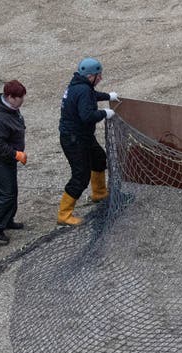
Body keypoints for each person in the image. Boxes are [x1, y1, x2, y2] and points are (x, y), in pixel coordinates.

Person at [57, 57, 119, 226]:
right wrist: (104, 113)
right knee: (80, 175)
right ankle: (64, 214)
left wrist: (108, 96)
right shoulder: (83, 90)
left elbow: (92, 95)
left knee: (99, 159)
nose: (101, 78)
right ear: (91, 76)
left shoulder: (79, 85)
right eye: (99, 76)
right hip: (74, 139)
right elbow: (87, 116)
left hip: (82, 136)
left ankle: (99, 193)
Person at [0, 80, 28, 245]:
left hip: (6, 159)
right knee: (5, 194)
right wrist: (16, 154)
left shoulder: (11, 108)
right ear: (10, 97)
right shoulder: (0, 120)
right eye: (20, 97)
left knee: (12, 191)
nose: (22, 100)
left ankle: (7, 220)